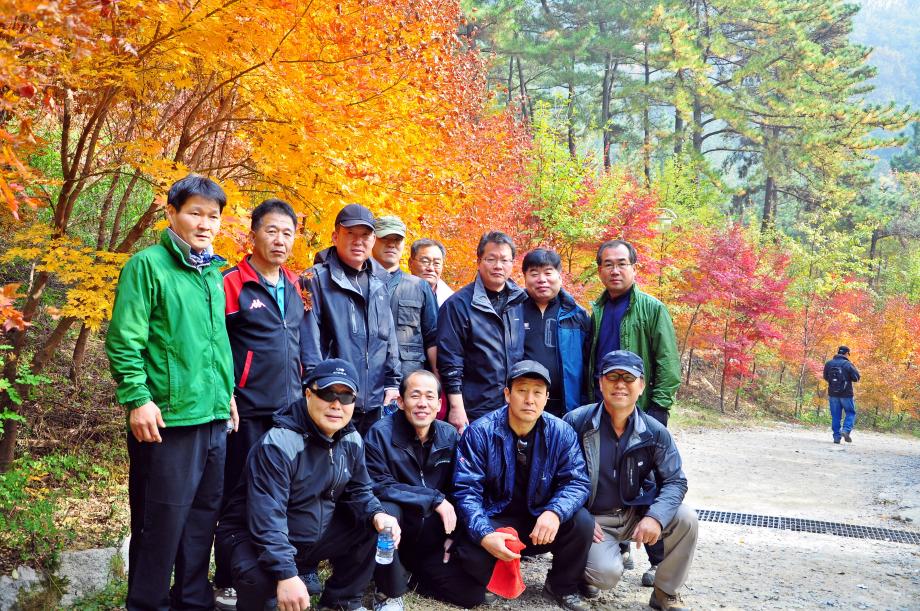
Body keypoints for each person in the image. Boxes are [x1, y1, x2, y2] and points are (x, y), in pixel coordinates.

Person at [105, 174, 236, 610]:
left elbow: (215, 345)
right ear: (171, 214)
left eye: (212, 216)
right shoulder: (148, 265)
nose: (204, 223)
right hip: (168, 419)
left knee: (202, 519)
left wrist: (228, 395)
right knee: (159, 520)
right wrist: (137, 399)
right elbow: (125, 339)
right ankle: (147, 602)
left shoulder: (213, 273)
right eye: (195, 213)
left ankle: (193, 599)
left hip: (213, 415)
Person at [215, 358, 401, 611]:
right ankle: (267, 584)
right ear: (308, 394)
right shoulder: (278, 443)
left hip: (308, 533)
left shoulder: (352, 439)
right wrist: (286, 574)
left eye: (346, 397)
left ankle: (341, 602)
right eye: (327, 393)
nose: (337, 404)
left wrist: (378, 514)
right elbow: (267, 517)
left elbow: (360, 492)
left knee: (371, 523)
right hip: (252, 536)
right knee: (261, 581)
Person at [214, 198, 322, 608]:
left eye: (288, 233)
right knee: (236, 496)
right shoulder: (231, 283)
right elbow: (216, 347)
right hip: (245, 411)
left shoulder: (297, 285)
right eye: (272, 231)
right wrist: (226, 393)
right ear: (254, 233)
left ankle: (269, 573)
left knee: (280, 496)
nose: (280, 240)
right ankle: (226, 578)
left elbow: (302, 347)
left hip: (289, 411)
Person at [447, 360, 595, 611]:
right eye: (522, 390)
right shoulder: (480, 432)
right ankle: (491, 576)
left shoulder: (562, 432)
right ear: (507, 394)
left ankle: (562, 586)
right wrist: (485, 533)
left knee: (582, 522)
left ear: (547, 398)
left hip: (540, 520)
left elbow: (577, 481)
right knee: (472, 551)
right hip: (496, 519)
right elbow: (465, 491)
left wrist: (554, 512)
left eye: (537, 392)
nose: (530, 399)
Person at [565, 350, 697, 611]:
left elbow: (675, 481)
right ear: (600, 382)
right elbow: (557, 477)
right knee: (605, 575)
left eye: (628, 377)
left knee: (686, 519)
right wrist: (578, 518)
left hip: (637, 512)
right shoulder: (576, 422)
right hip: (594, 519)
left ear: (641, 385)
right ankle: (580, 572)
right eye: (612, 376)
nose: (620, 384)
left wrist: (655, 517)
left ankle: (665, 592)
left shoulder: (654, 432)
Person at [587, 239, 682, 582]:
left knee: (651, 481)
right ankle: (618, 547)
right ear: (599, 269)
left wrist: (657, 411)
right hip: (604, 410)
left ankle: (658, 562)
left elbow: (668, 363)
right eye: (608, 264)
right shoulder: (596, 310)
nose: (615, 270)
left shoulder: (652, 308)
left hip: (643, 412)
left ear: (633, 267)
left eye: (621, 263)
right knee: (608, 477)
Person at [364, 370, 460, 611]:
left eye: (429, 397)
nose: (422, 404)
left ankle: (416, 575)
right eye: (415, 395)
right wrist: (434, 499)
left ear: (439, 405)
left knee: (469, 594)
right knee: (387, 510)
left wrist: (456, 535)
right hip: (398, 526)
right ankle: (387, 591)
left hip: (432, 533)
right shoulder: (380, 434)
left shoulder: (449, 435)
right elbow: (378, 484)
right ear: (400, 402)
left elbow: (460, 487)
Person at [304, 203, 401, 436]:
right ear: (336, 236)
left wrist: (393, 382)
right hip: (334, 399)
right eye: (350, 234)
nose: (358, 241)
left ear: (373, 239)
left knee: (368, 469)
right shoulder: (315, 279)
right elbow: (309, 340)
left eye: (365, 235)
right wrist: (318, 387)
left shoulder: (380, 281)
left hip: (375, 403)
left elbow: (388, 336)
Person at [437, 231, 526, 430]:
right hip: (474, 407)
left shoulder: (520, 302)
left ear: (512, 263)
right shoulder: (458, 305)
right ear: (479, 261)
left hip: (513, 406)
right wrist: (456, 407)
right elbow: (450, 361)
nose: (498, 266)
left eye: (505, 260)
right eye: (491, 259)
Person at [521, 248, 591, 417]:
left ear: (559, 276)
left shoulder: (577, 315)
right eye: (534, 273)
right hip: (523, 403)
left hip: (567, 406)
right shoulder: (513, 311)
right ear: (525, 277)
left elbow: (589, 363)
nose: (541, 279)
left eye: (548, 272)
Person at [371, 216, 439, 378]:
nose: (391, 244)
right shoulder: (358, 283)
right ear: (372, 239)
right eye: (385, 238)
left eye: (397, 239)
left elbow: (433, 339)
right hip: (367, 380)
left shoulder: (419, 287)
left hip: (408, 382)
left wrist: (438, 382)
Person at [823, 345, 860, 444]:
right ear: (847, 354)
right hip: (846, 394)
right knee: (850, 412)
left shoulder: (829, 364)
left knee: (835, 415)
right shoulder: (848, 364)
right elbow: (856, 378)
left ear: (838, 352)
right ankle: (846, 430)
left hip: (833, 394)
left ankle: (836, 437)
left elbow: (825, 377)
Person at [408, 238, 454, 306]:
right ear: (410, 263)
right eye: (425, 261)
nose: (431, 268)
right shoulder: (396, 291)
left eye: (436, 263)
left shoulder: (451, 300)